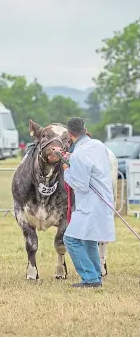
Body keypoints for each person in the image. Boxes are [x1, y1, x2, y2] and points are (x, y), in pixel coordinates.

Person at [62, 117, 116, 288]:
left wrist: (66, 170)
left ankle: (90, 278)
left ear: (70, 135)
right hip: (104, 201)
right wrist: (72, 158)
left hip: (90, 205)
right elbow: (90, 164)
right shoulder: (98, 145)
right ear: (84, 129)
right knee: (89, 239)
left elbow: (80, 185)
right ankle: (96, 276)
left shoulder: (79, 154)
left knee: (70, 239)